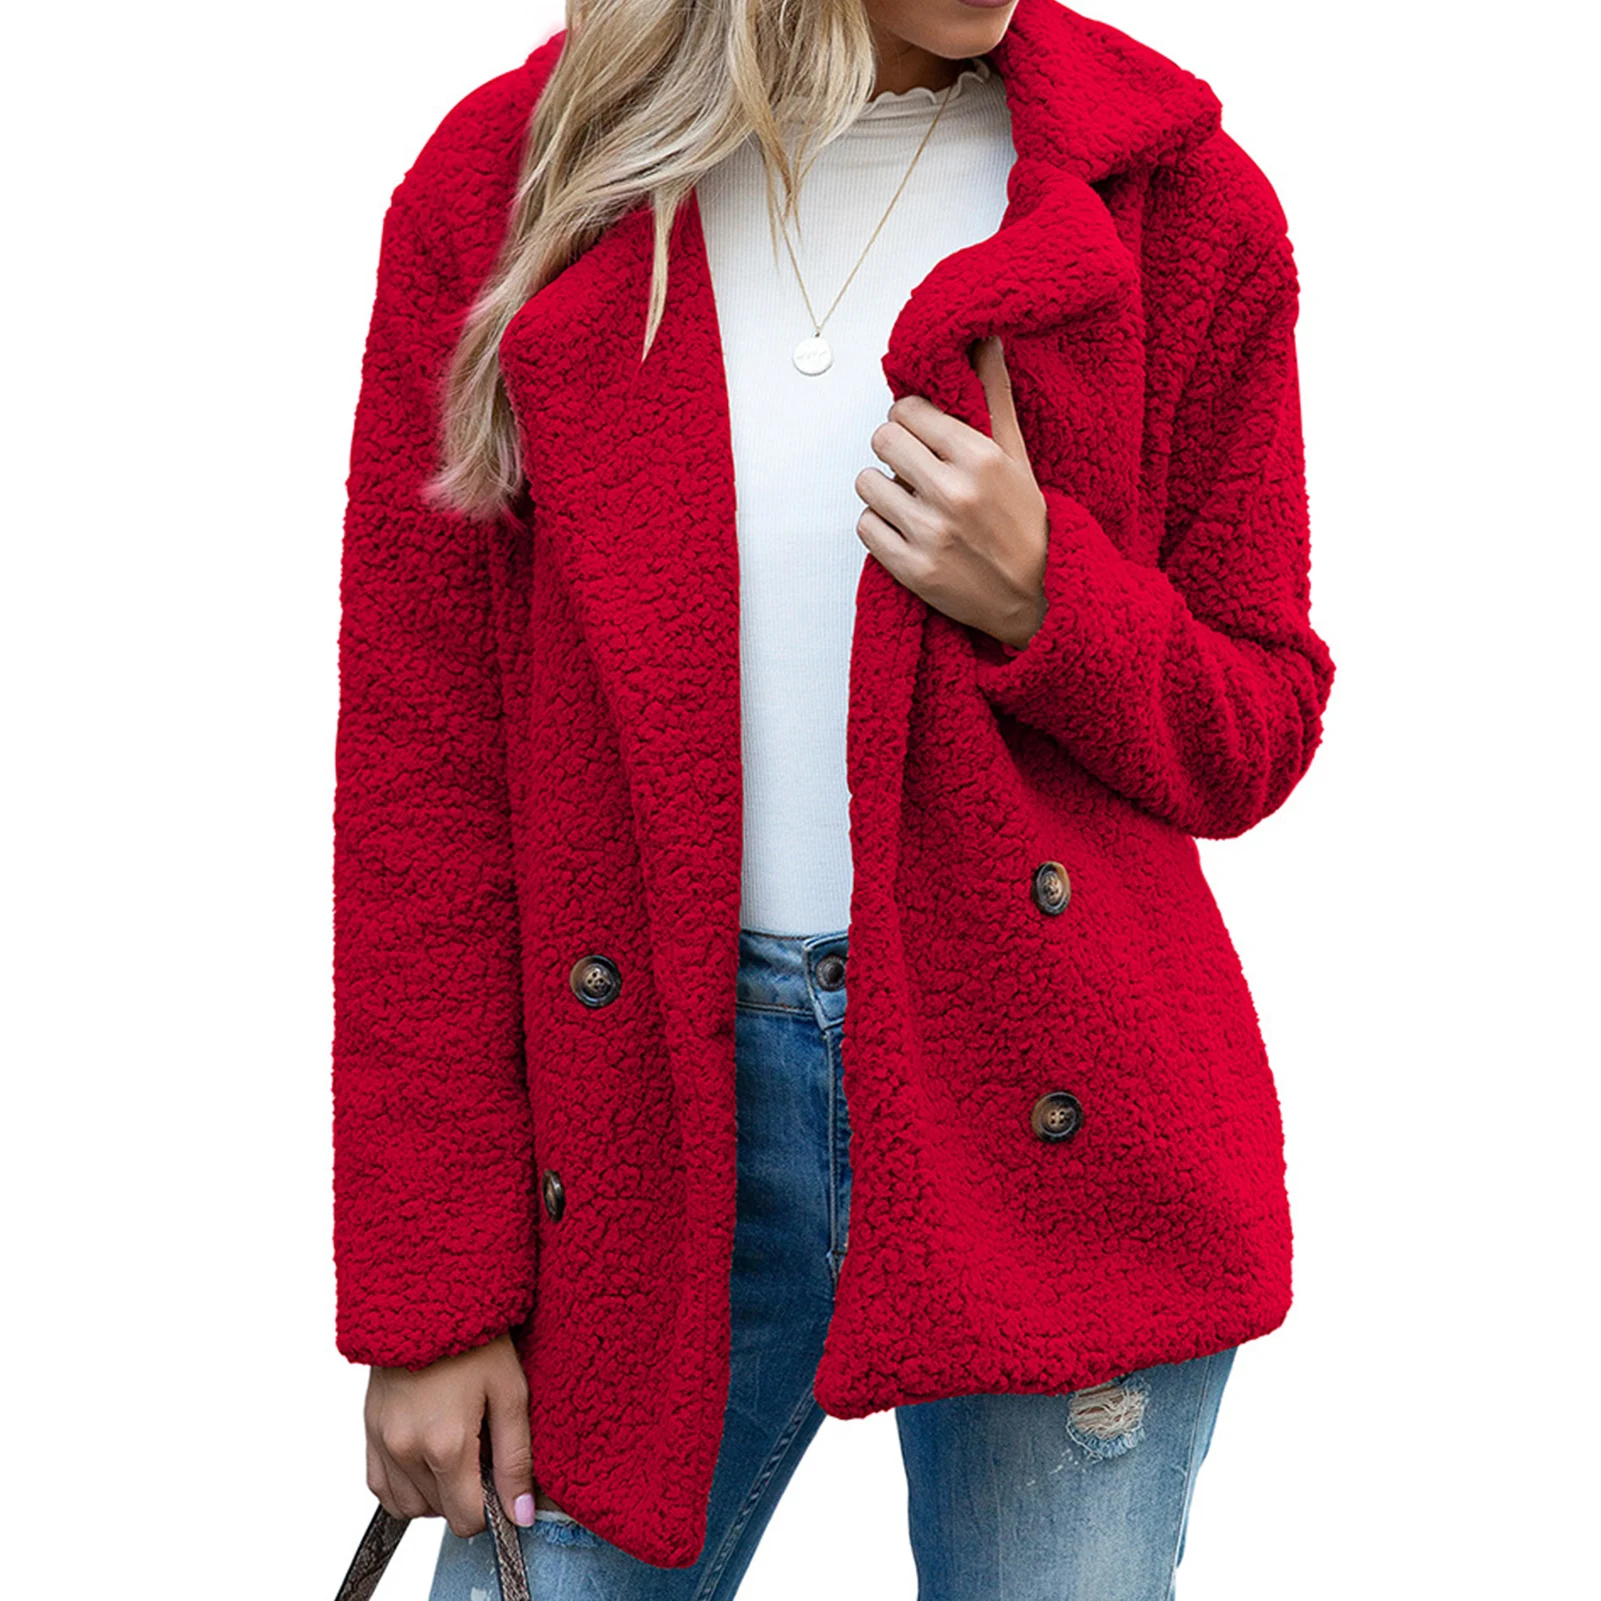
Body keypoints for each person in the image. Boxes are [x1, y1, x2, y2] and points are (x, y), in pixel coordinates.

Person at [331, 0, 1335, 1596]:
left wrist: (1050, 597)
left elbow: (1256, 723)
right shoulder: (516, 191)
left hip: (1059, 1121)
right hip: (639, 1126)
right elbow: (422, 793)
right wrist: (433, 1298)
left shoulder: (1175, 202)